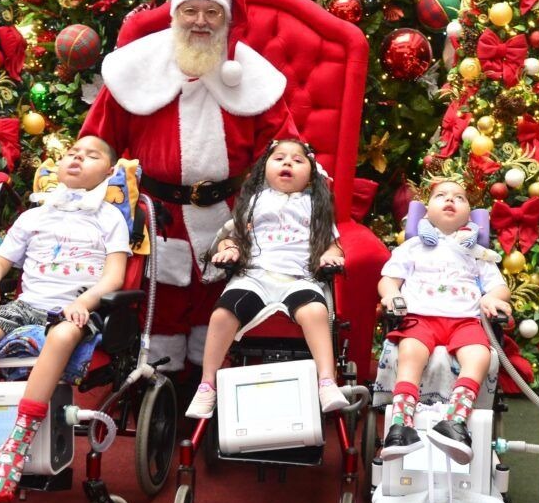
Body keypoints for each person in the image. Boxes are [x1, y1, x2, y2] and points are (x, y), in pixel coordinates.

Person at [80, 0, 297, 386]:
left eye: (212, 12)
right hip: (156, 215)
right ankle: (155, 385)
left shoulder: (253, 76)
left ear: (227, 20)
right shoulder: (136, 69)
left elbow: (283, 148)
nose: (200, 21)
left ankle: (211, 384)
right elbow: (98, 141)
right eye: (191, 11)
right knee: (160, 305)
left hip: (232, 212)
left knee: (219, 301)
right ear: (175, 17)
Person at [0, 135, 130, 503]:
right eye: (73, 153)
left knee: (60, 337)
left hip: (72, 307)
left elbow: (114, 277)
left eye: (91, 156)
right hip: (28, 304)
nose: (77, 158)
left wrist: (85, 302)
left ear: (109, 172)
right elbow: (0, 261)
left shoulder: (110, 219)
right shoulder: (34, 215)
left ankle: (17, 444)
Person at [186, 139, 348, 418]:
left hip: (299, 278)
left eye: (298, 160)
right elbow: (232, 237)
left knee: (316, 311)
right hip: (255, 277)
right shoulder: (254, 203)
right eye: (280, 158)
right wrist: (230, 249)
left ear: (311, 176)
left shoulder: (315, 207)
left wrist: (330, 256)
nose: (288, 163)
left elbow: (332, 244)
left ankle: (326, 381)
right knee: (223, 313)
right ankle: (207, 384)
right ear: (264, 169)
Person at [377, 178, 512, 464]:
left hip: (464, 321)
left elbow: (499, 287)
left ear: (469, 214)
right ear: (426, 213)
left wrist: (494, 298)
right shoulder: (413, 246)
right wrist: (390, 294)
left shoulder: (476, 252)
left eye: (459, 198)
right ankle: (401, 424)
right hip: (419, 317)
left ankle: (455, 420)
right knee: (411, 353)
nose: (450, 200)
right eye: (441, 196)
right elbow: (390, 278)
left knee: (479, 355)